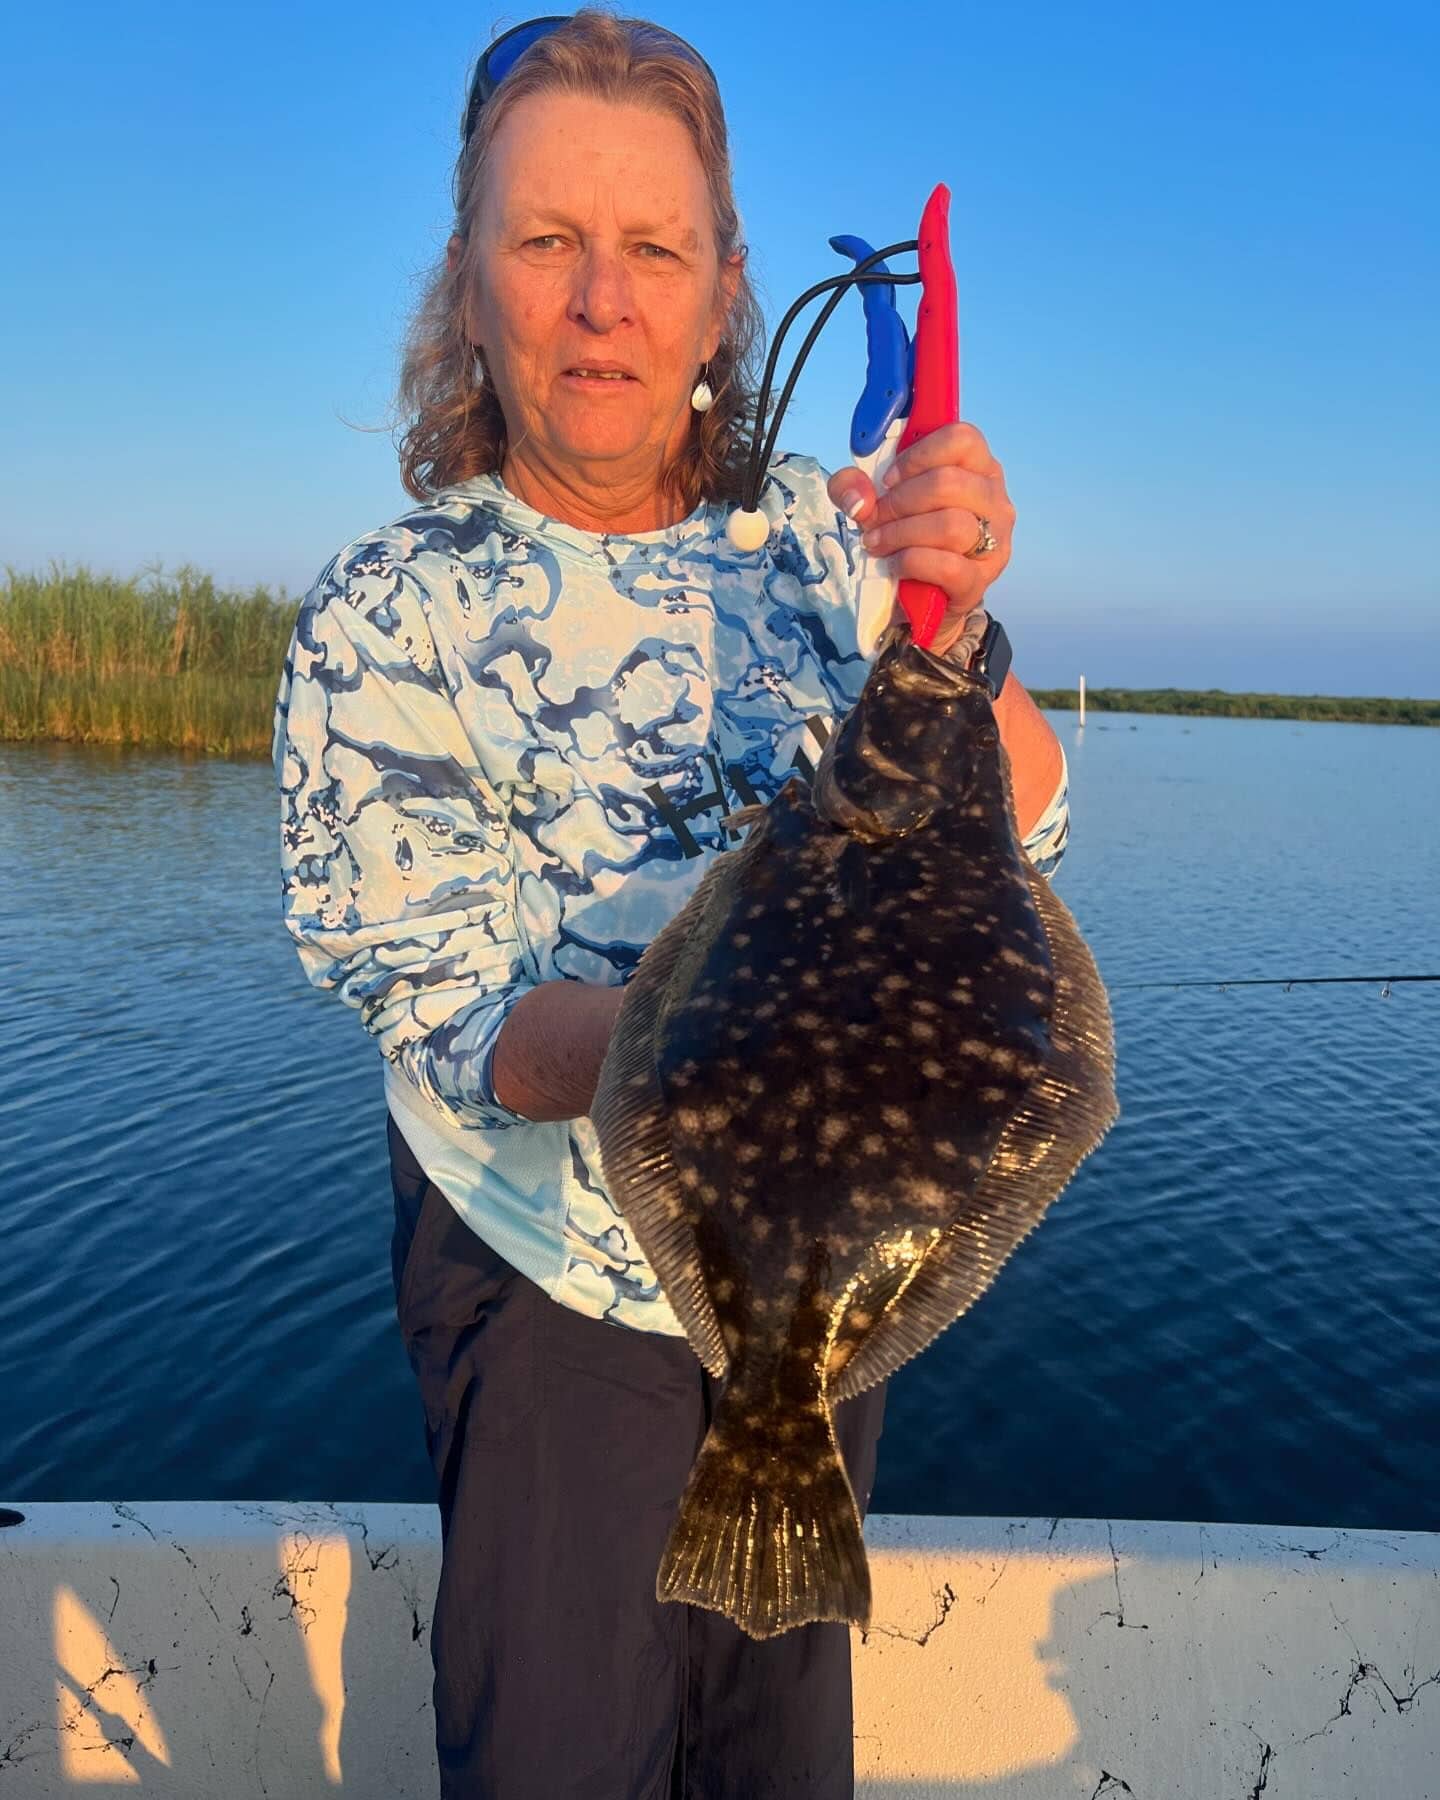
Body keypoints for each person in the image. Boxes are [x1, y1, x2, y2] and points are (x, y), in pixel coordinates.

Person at [272, 12, 1071, 1795]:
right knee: (559, 1754)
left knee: (779, 1758)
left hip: (821, 1268)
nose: (599, 301)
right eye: (546, 241)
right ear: (466, 290)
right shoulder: (383, 619)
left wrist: (956, 609)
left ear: (724, 297)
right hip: (547, 1279)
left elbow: (1026, 822)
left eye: (654, 250)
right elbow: (458, 1013)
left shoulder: (825, 542)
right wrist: (699, 1044)